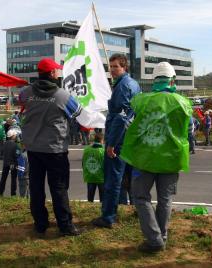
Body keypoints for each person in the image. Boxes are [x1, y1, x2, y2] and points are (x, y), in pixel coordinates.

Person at [120, 62, 192, 253]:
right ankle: (162, 236)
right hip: (171, 159)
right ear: (172, 80)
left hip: (145, 159)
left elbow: (128, 126)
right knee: (165, 199)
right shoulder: (183, 103)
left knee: (141, 197)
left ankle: (154, 239)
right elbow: (191, 129)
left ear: (154, 80)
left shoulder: (141, 101)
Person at [19, 58, 82, 236]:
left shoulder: (27, 93)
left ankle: (40, 224)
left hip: (34, 149)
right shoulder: (62, 95)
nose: (58, 73)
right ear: (52, 73)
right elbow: (77, 111)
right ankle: (65, 225)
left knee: (36, 188)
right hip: (55, 150)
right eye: (57, 71)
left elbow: (21, 100)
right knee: (59, 188)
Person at [92, 54, 141, 229]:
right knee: (132, 178)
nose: (112, 70)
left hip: (119, 140)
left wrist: (111, 143)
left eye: (115, 67)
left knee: (113, 179)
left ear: (124, 67)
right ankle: (137, 210)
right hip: (130, 139)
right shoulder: (134, 84)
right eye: (110, 67)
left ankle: (108, 217)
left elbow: (120, 118)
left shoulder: (122, 87)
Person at [82, 132, 105, 202]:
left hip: (90, 176)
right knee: (103, 198)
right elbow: (106, 165)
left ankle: (89, 207)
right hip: (101, 177)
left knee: (90, 197)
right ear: (102, 140)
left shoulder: (86, 150)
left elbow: (83, 163)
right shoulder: (103, 151)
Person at [0, 129, 19, 197]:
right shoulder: (15, 145)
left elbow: (0, 154)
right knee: (13, 179)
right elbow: (17, 155)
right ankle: (13, 194)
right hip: (13, 164)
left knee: (3, 178)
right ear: (13, 136)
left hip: (5, 163)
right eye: (15, 135)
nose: (15, 136)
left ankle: (1, 193)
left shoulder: (4, 144)